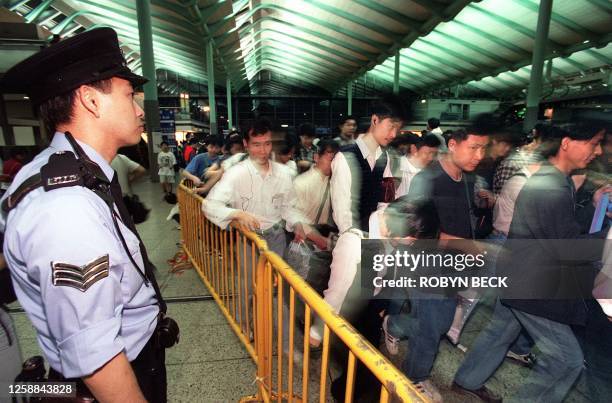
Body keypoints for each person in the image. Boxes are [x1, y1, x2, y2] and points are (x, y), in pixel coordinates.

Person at [0, 28, 175, 403]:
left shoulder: (74, 174)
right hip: (115, 380)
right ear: (91, 101)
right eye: (130, 95)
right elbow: (94, 354)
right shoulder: (66, 206)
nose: (141, 110)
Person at [453, 121, 609, 403]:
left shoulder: (556, 180)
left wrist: (595, 207)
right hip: (530, 284)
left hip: (519, 273)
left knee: (500, 331)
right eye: (592, 143)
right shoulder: (550, 186)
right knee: (567, 361)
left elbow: (564, 231)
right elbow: (566, 248)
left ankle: (466, 380)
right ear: (566, 143)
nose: (597, 151)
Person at [395, 133, 441, 198]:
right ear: (414, 149)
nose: (431, 158)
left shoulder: (432, 172)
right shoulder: (395, 166)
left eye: (434, 154)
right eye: (428, 153)